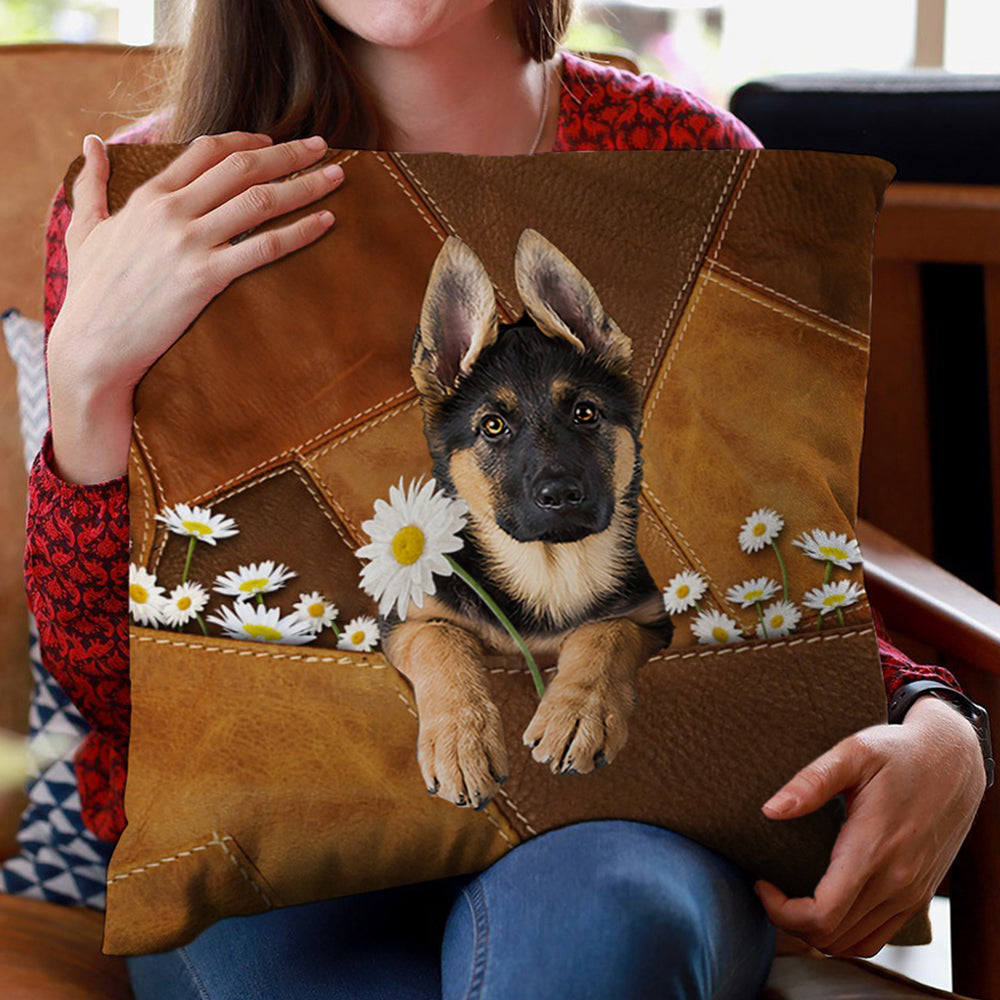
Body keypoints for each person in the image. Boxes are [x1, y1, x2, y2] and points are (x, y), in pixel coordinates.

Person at [25, 1, 987, 997]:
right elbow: (106, 681)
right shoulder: (155, 204)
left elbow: (749, 555)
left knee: (600, 926)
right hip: (277, 816)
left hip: (617, 816)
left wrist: (936, 715)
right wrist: (89, 382)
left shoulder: (688, 166)